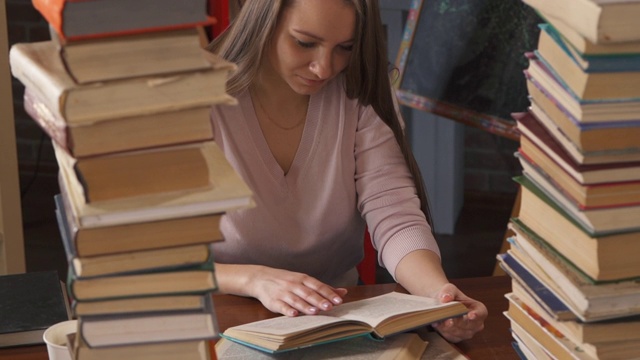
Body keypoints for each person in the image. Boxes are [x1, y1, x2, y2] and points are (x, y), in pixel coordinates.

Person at [207, 0, 487, 342]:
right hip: (216, 318)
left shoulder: (360, 92)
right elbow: (149, 260)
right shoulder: (196, 100)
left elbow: (395, 216)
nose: (324, 68)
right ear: (262, 22)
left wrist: (439, 295)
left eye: (345, 48)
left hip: (335, 320)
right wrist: (253, 279)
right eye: (305, 43)